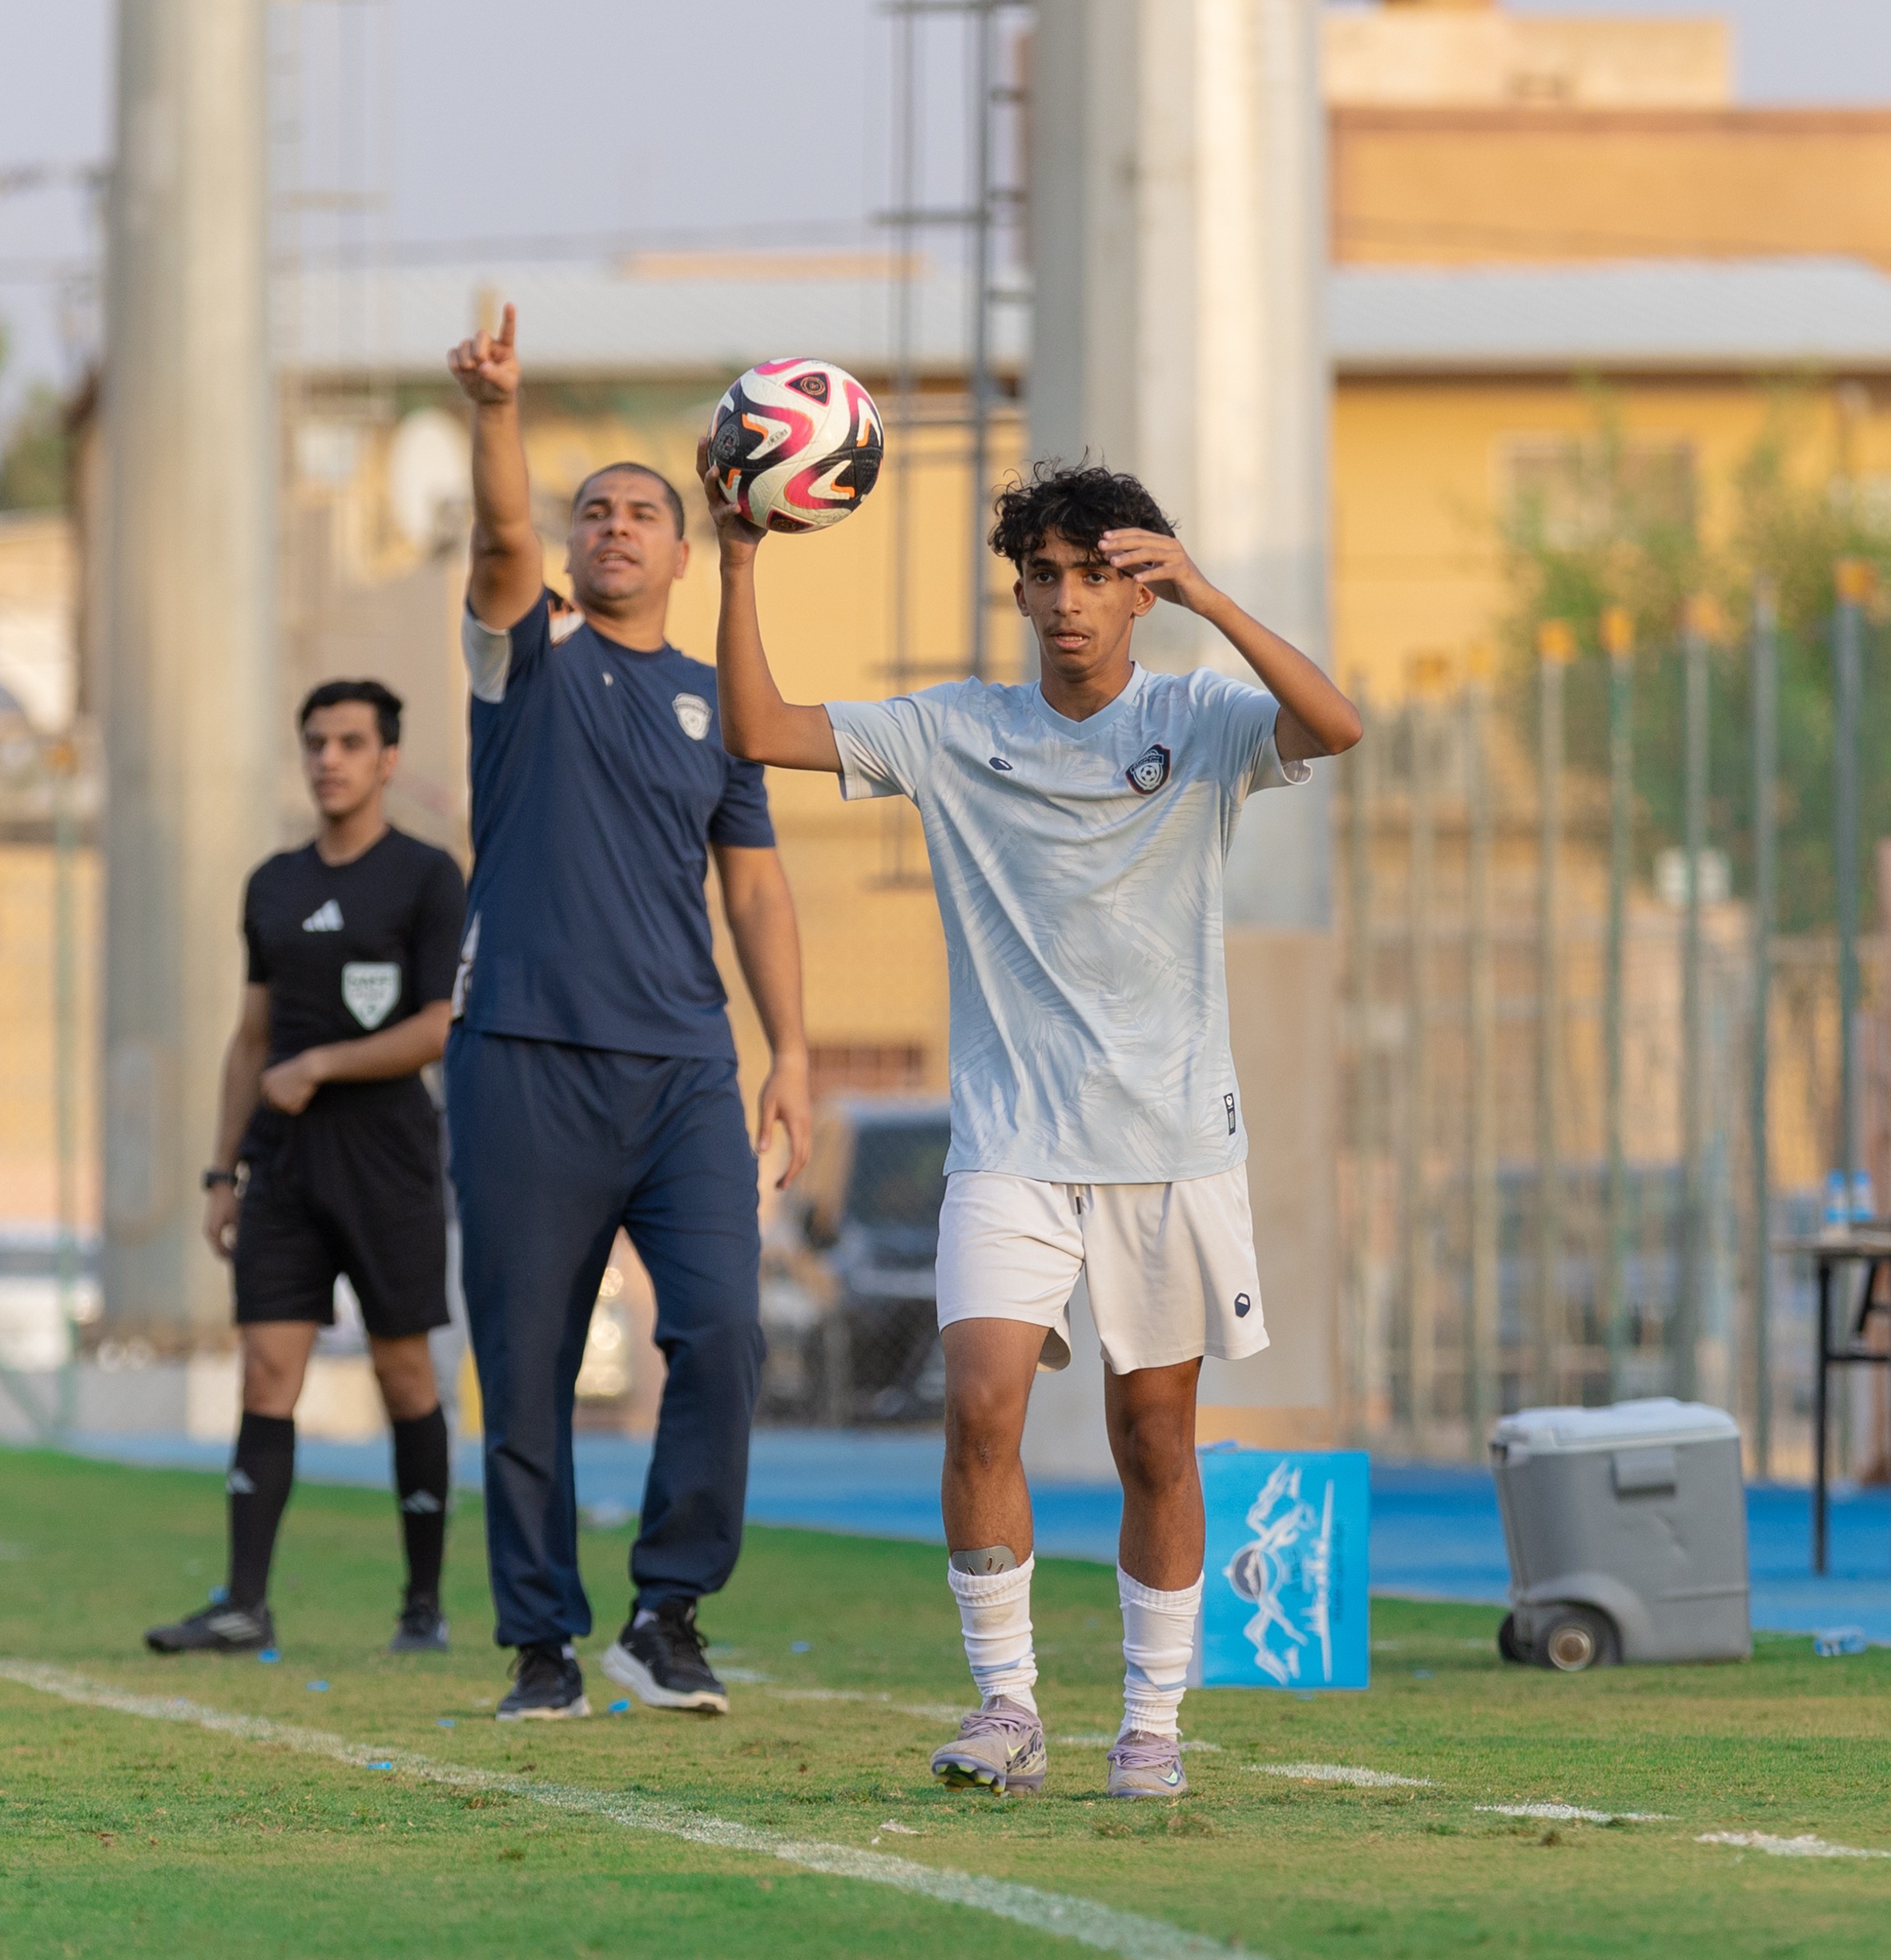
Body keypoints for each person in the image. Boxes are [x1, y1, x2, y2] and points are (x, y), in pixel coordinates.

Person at [703, 448, 1361, 1799]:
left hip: (1171, 1145)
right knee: (983, 1406)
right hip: (1009, 1142)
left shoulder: (1202, 715)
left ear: (1137, 595)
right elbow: (758, 728)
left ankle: (1152, 1724)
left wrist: (1211, 595)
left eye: (1097, 576)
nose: (1067, 600)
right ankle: (1006, 1707)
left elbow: (1338, 724)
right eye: (1045, 575)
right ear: (1019, 592)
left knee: (1155, 1439)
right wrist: (743, 555)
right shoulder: (955, 730)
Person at [445, 307, 812, 1721]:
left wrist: (795, 1054)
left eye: (639, 510)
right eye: (590, 509)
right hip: (522, 1060)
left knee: (723, 1330)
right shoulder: (522, 661)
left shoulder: (720, 707)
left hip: (681, 1074)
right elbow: (495, 550)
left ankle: (667, 1612)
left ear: (675, 548)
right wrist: (496, 414)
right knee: (526, 1361)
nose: (611, 525)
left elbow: (762, 890)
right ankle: (543, 1641)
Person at [147, 680, 466, 1658]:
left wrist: (322, 1064)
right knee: (266, 1367)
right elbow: (249, 1038)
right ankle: (245, 1602)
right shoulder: (273, 884)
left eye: (350, 742)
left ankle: (422, 1605)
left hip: (388, 1160)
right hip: (282, 1168)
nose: (330, 758)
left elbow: (437, 1023)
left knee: (404, 1373)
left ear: (386, 760)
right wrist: (219, 1172)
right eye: (316, 741)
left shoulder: (426, 876)